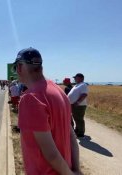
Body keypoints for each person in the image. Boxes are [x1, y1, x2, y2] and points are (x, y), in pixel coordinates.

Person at [14, 47, 80, 175]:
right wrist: (76, 169)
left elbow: (51, 154)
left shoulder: (30, 99)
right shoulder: (59, 91)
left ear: (20, 67)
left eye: (16, 67)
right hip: (67, 169)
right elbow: (71, 136)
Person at [68, 73, 88, 138]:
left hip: (79, 105)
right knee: (75, 118)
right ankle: (77, 130)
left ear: (81, 78)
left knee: (79, 119)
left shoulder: (83, 85)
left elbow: (84, 94)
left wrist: (77, 102)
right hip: (74, 104)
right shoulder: (77, 85)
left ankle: (81, 133)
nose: (75, 79)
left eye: (76, 78)